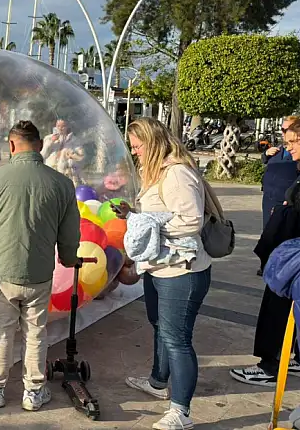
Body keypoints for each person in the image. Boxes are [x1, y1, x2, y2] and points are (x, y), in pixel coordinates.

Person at [0, 120, 80, 412]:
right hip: (39, 273)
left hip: (1, 272)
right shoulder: (62, 184)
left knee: (1, 331)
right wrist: (68, 259)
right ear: (40, 145)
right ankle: (34, 391)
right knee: (35, 332)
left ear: (12, 145)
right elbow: (69, 234)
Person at [118, 117, 211, 430]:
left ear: (153, 142)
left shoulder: (177, 174)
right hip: (159, 267)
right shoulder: (156, 174)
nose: (135, 153)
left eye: (138, 147)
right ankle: (158, 382)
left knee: (178, 340)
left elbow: (191, 221)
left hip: (181, 271)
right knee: (160, 326)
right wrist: (133, 216)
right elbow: (156, 215)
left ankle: (181, 411)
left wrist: (149, 228)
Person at [230, 120, 300, 387]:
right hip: (287, 251)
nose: (288, 146)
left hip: (292, 259)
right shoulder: (294, 167)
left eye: (294, 141)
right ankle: (289, 357)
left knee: (277, 306)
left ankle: (269, 366)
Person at [261, 117, 299, 229]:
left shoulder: (295, 154)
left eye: (287, 129)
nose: (284, 133)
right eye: (282, 129)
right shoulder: (278, 150)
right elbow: (266, 162)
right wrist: (266, 154)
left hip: (284, 201)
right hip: (269, 199)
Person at [41, 119, 85, 186]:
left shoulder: (74, 140)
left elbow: (81, 158)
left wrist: (72, 156)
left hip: (67, 175)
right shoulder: (48, 138)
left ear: (67, 127)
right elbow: (42, 155)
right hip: (51, 174)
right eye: (58, 126)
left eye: (63, 126)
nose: (60, 128)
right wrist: (50, 142)